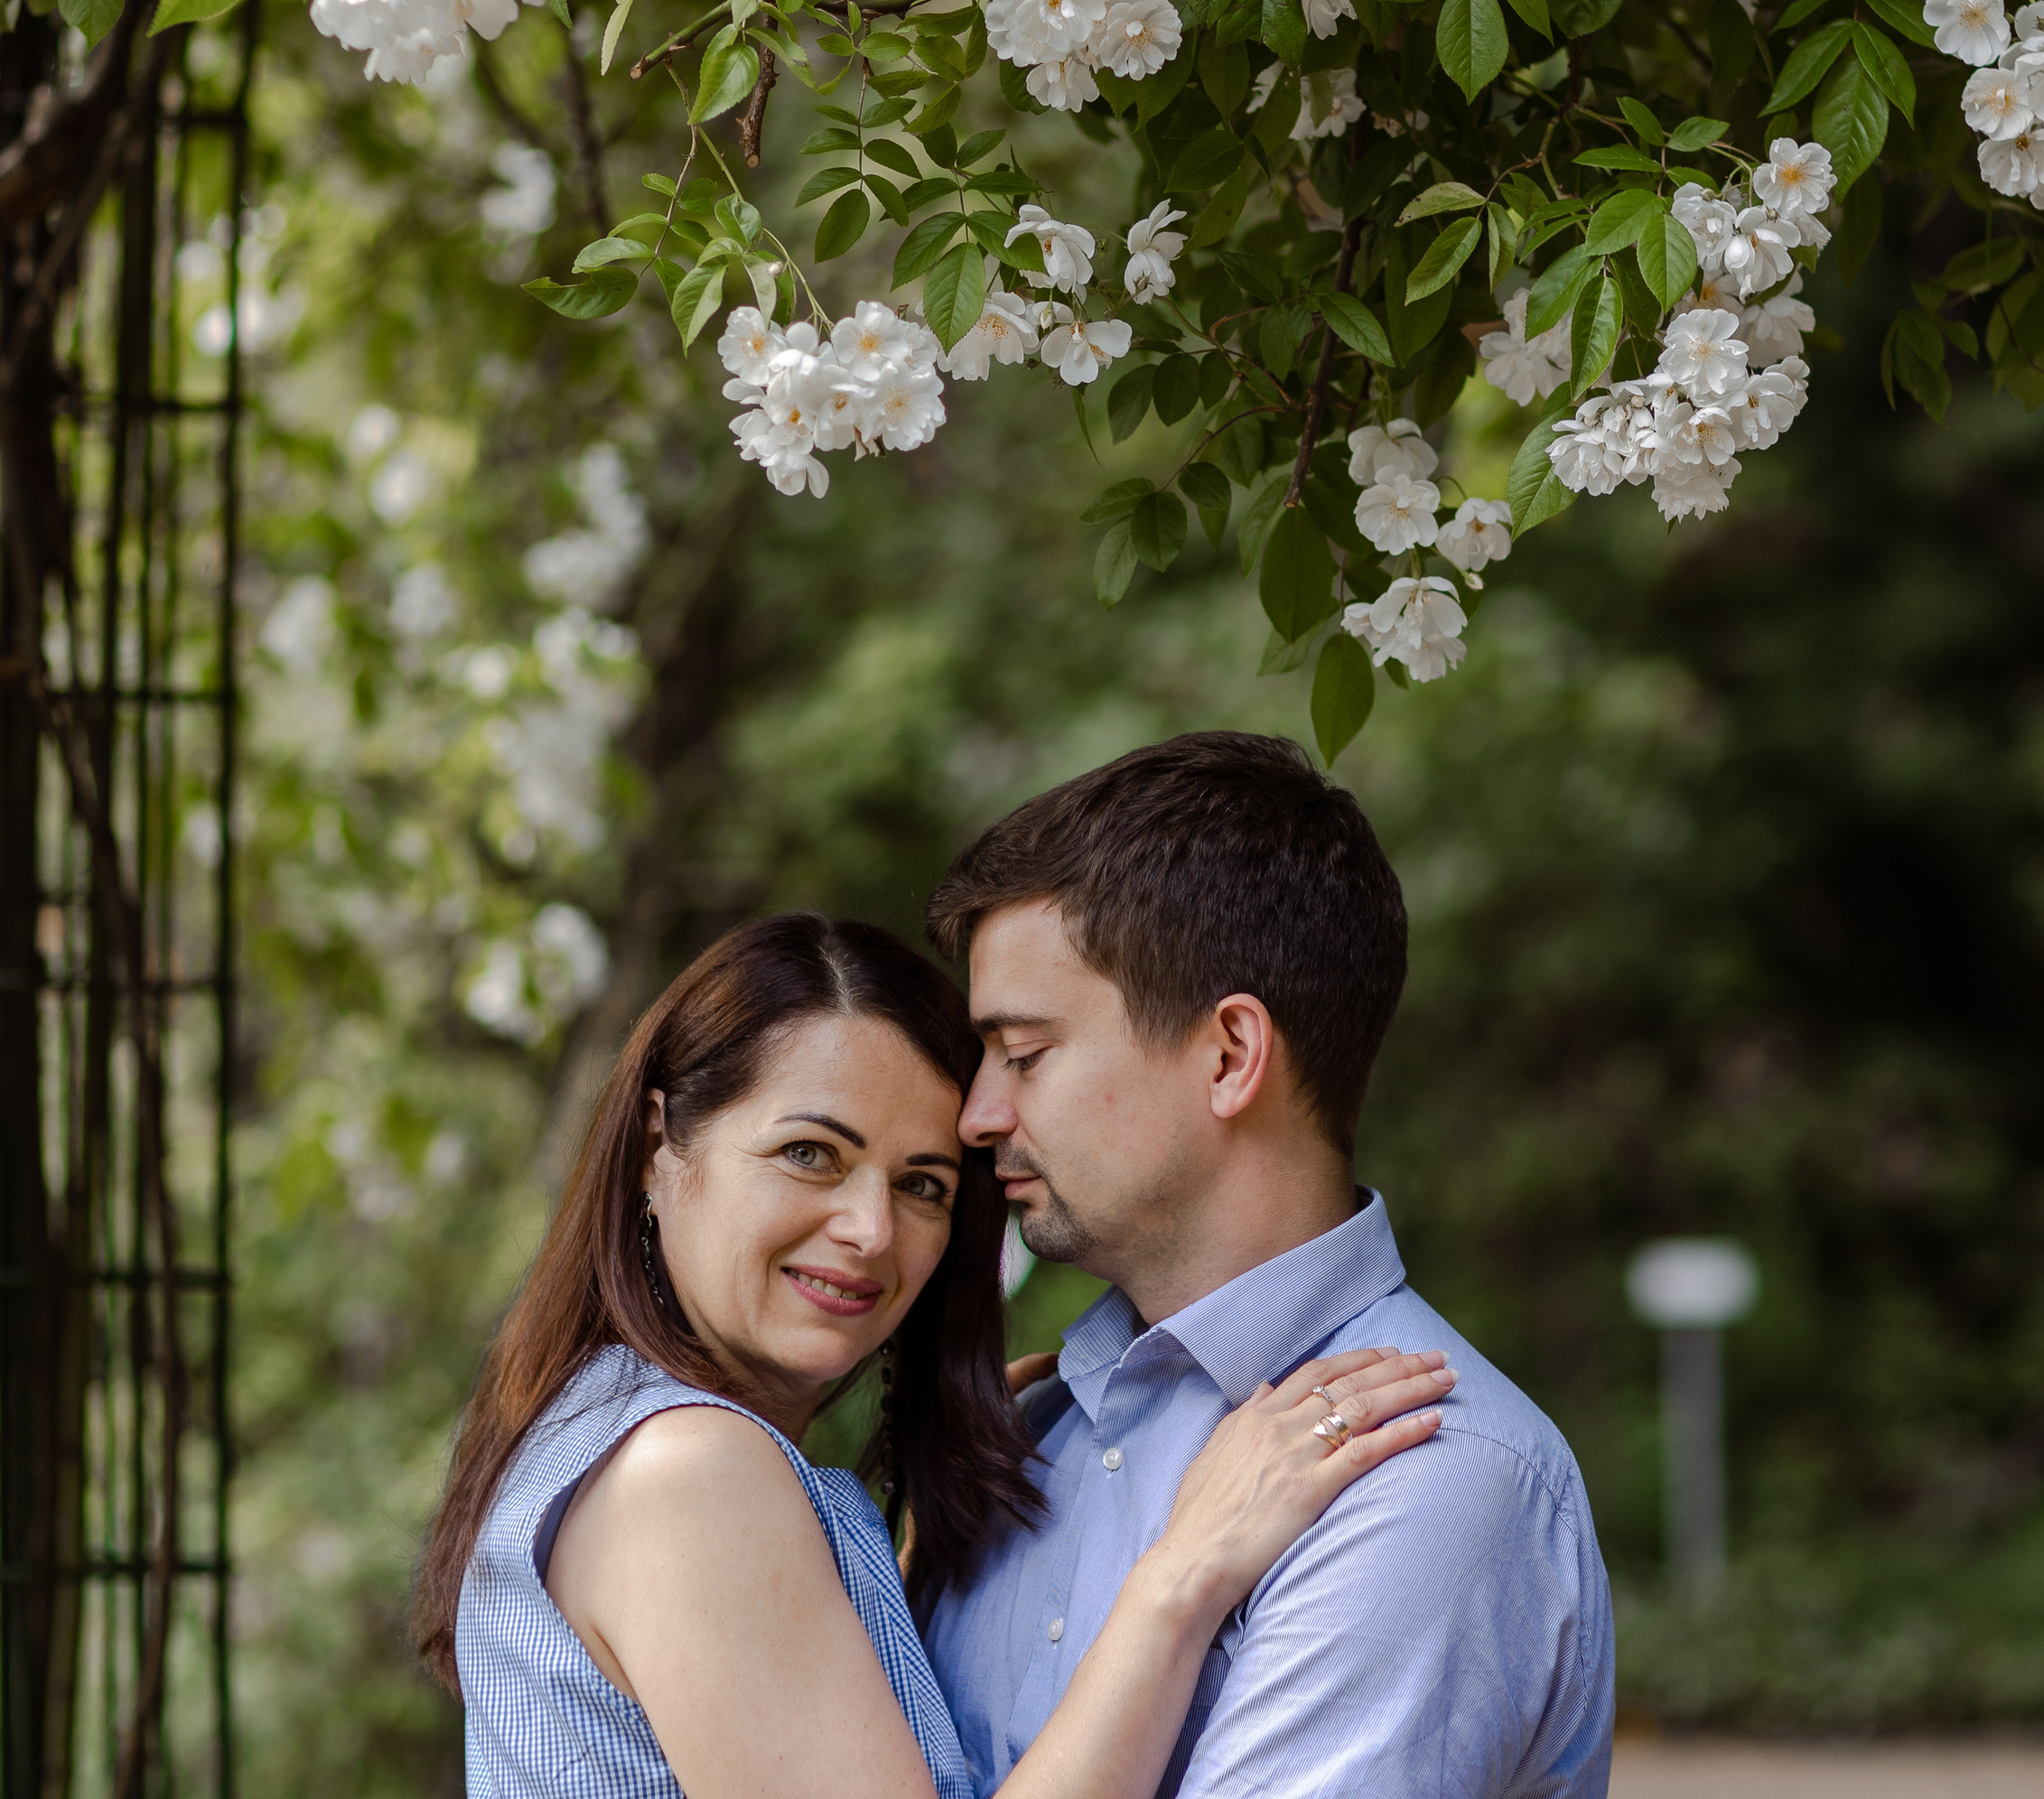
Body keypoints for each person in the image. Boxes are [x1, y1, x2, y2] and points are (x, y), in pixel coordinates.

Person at [412, 910, 1455, 1799]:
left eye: (922, 1184)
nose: (870, 1228)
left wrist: (891, 1570)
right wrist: (1183, 1574)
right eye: (808, 1154)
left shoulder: (617, 1430)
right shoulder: (686, 1477)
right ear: (656, 1146)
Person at [923, 731, 1615, 1799]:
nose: (978, 1114)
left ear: (1229, 1055)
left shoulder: (1422, 1475)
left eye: (1024, 1054)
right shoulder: (1029, 1437)